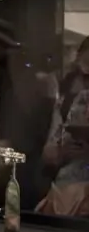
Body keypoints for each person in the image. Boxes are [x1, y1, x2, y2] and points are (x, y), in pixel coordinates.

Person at [37, 37, 89, 218]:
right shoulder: (70, 102)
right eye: (84, 75)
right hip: (66, 191)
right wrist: (62, 151)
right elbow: (48, 154)